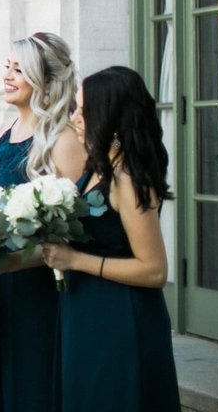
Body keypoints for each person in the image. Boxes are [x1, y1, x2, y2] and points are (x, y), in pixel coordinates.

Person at [41, 66, 179, 411]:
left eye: (84, 111)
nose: (74, 118)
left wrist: (76, 261)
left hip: (120, 318)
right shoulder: (94, 168)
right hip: (84, 311)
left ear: (111, 117)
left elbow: (154, 271)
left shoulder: (129, 179)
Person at [0, 32, 81, 411]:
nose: (7, 76)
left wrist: (13, 261)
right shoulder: (9, 130)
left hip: (35, 292)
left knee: (29, 389)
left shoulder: (61, 141)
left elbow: (77, 232)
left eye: (19, 69)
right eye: (7, 67)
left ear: (46, 81)